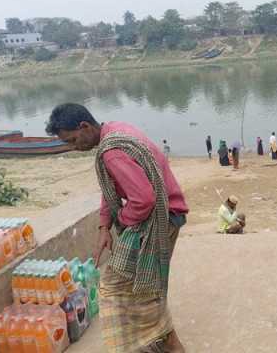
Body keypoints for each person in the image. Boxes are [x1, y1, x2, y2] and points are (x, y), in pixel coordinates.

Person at [45, 103, 188, 353]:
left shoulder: (111, 152)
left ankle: (167, 345)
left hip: (160, 220)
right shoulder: (115, 130)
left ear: (84, 126)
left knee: (122, 286)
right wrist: (104, 226)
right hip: (166, 213)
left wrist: (121, 217)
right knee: (143, 285)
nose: (73, 146)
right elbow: (112, 186)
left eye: (73, 139)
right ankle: (160, 341)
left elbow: (143, 200)